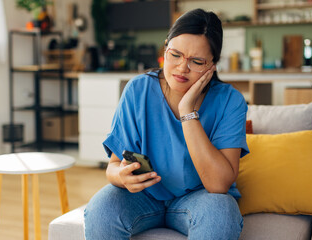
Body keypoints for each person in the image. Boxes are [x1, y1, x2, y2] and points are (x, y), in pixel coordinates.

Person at [84, 8, 249, 240]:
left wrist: (187, 112)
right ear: (165, 49)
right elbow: (113, 166)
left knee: (221, 213)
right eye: (175, 55)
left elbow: (218, 185)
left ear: (212, 65)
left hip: (200, 199)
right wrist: (122, 177)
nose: (182, 68)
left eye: (197, 61)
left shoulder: (230, 101)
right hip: (143, 197)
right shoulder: (138, 90)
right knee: (101, 210)